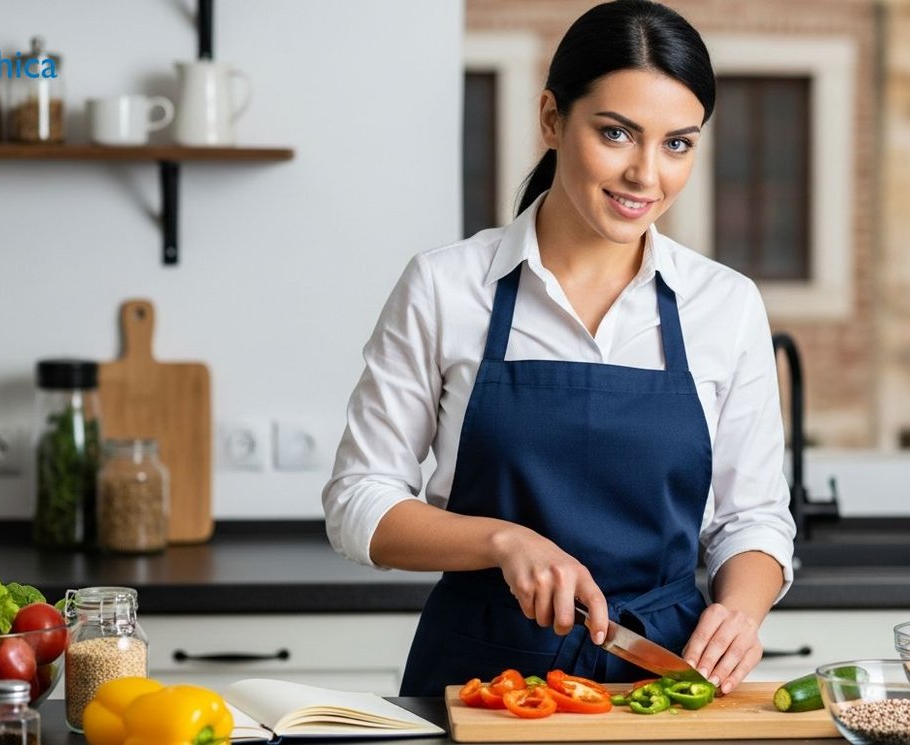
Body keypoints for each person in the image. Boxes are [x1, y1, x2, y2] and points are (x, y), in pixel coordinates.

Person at [323, 0, 796, 698]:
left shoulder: (724, 304)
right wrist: (502, 542)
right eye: (616, 133)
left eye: (677, 144)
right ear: (551, 118)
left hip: (660, 683)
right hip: (482, 681)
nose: (646, 174)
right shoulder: (447, 287)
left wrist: (739, 611)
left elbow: (751, 517)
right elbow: (358, 499)